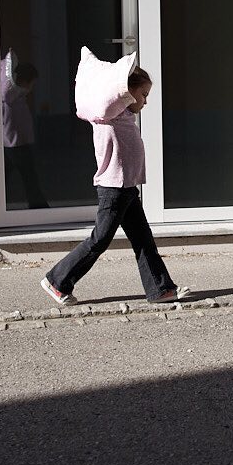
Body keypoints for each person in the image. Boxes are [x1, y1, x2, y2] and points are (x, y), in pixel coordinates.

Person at [40, 66, 187, 306]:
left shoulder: (126, 115)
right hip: (113, 188)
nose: (146, 101)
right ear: (126, 94)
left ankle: (160, 289)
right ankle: (57, 280)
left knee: (143, 239)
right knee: (99, 240)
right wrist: (121, 86)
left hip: (126, 187)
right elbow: (110, 97)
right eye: (143, 94)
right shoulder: (108, 114)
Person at [1, 54, 49, 210]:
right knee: (29, 177)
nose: (31, 89)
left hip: (12, 143)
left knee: (11, 176)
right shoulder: (12, 96)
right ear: (25, 82)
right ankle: (39, 207)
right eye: (32, 84)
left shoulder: (15, 96)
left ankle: (0, 206)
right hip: (17, 144)